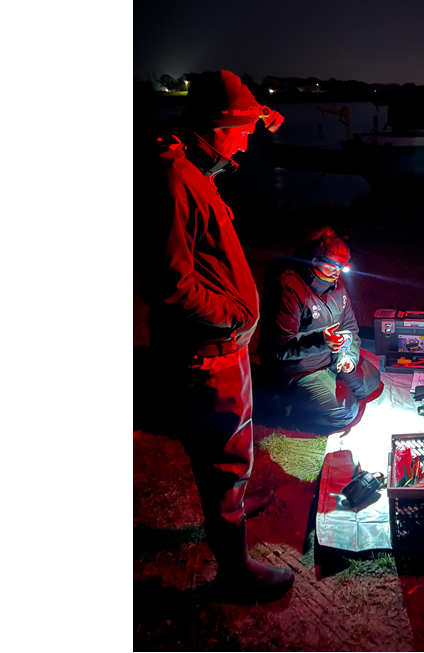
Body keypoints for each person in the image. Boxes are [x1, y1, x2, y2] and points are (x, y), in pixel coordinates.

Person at [137, 70, 294, 600]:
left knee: (230, 457)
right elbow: (167, 283)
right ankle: (235, 572)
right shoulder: (175, 179)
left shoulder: (192, 168)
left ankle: (232, 519)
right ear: (219, 126)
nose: (246, 145)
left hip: (222, 351)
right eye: (243, 132)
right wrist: (233, 316)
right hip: (209, 357)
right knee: (224, 461)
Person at [257, 228, 382, 431]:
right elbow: (280, 346)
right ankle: (288, 408)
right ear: (315, 261)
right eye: (333, 266)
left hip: (331, 357)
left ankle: (332, 383)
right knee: (345, 412)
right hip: (300, 368)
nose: (338, 272)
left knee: (372, 383)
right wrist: (321, 341)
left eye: (343, 266)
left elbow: (350, 326)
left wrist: (348, 357)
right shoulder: (289, 288)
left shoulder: (337, 285)